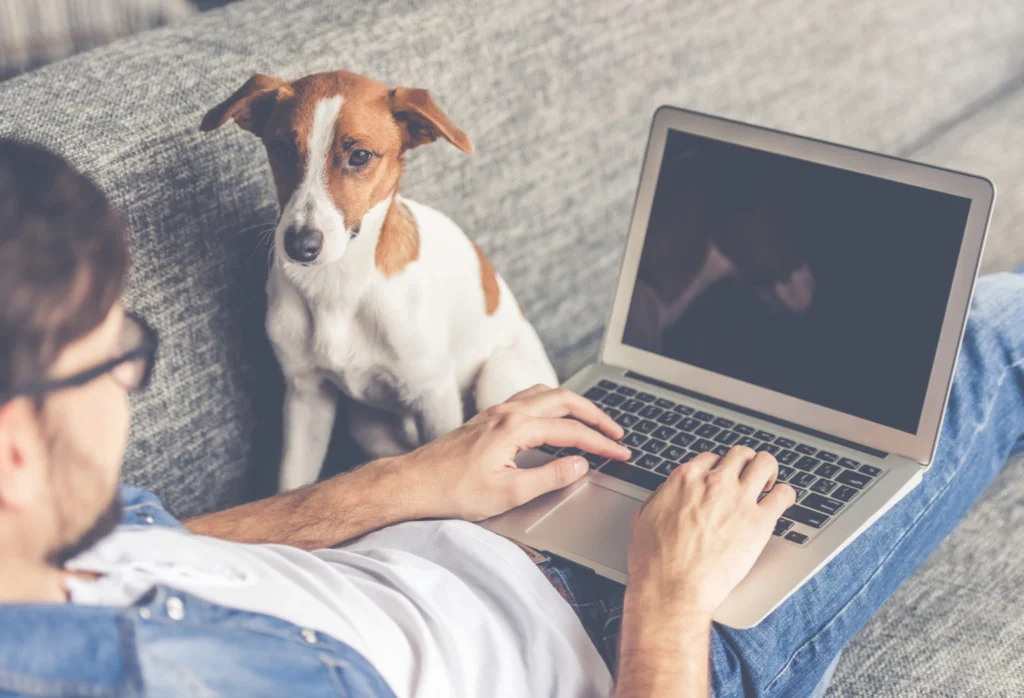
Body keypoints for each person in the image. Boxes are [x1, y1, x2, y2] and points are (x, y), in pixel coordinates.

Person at [0, 138, 1020, 698]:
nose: (128, 393)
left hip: (479, 524)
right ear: (13, 449)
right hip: (633, 638)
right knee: (993, 333)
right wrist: (671, 595)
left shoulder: (41, 553)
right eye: (117, 360)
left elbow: (163, 543)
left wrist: (419, 477)